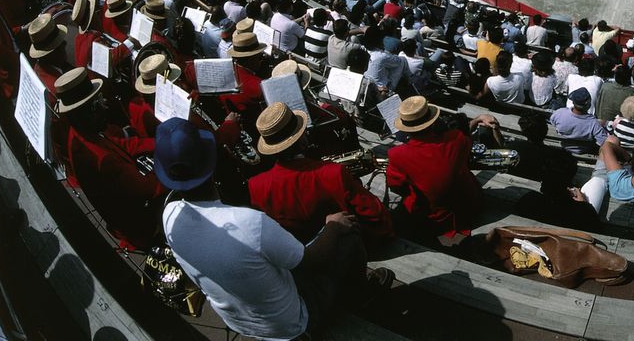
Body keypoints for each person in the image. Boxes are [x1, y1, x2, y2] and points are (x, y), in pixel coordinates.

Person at [158, 118, 380, 341]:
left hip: (239, 321)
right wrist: (333, 225)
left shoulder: (170, 215)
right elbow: (312, 262)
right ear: (213, 163)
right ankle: (361, 296)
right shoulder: (248, 222)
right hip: (294, 324)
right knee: (348, 236)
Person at [247, 102, 394, 244]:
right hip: (340, 248)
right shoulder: (333, 173)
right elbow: (378, 217)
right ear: (301, 137)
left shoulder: (255, 186)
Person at [58, 67, 165, 251]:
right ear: (89, 110)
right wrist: (172, 164)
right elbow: (147, 188)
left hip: (125, 191)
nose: (105, 104)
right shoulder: (103, 160)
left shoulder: (79, 130)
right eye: (98, 102)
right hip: (140, 222)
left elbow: (119, 144)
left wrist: (158, 144)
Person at [383, 97, 483, 240]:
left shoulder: (397, 154)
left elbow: (396, 186)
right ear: (433, 121)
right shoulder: (455, 137)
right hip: (471, 203)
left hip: (437, 218)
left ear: (407, 130)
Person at [513, 152, 600, 233]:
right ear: (571, 179)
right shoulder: (585, 213)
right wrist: (583, 204)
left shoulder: (528, 200)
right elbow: (595, 228)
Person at [549, 87, 608, 155]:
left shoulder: (560, 113)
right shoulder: (593, 124)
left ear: (573, 102)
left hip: (563, 147)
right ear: (588, 104)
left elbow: (552, 123)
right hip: (583, 151)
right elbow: (603, 142)